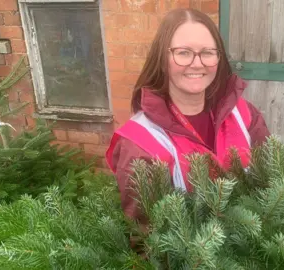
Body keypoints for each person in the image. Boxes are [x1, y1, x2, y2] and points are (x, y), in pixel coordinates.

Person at [105, 8, 270, 224]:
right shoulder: (139, 142)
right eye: (183, 52)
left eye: (208, 52)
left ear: (218, 59)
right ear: (162, 59)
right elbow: (146, 238)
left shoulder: (244, 114)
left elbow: (272, 183)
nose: (197, 63)